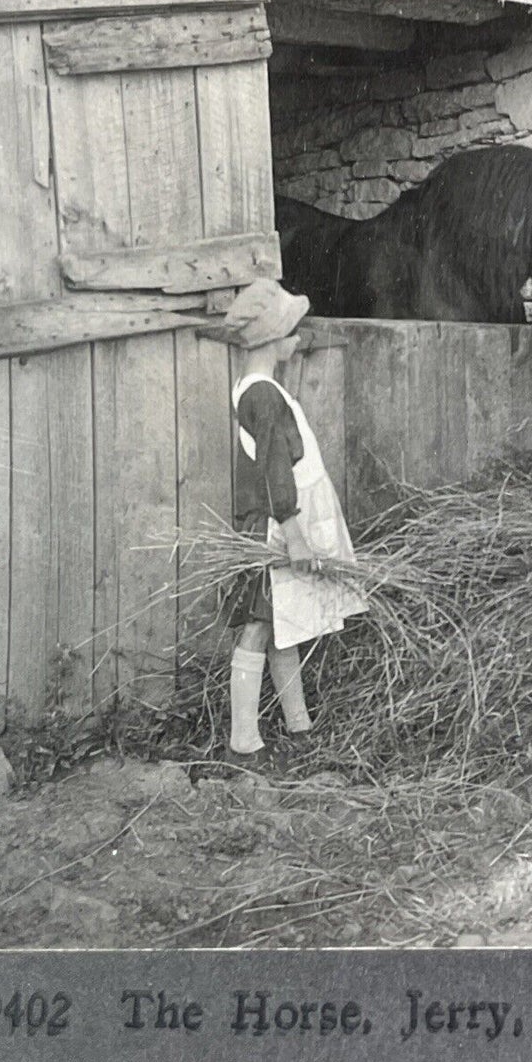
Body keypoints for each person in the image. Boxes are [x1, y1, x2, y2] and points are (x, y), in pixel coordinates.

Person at [207, 279, 365, 762]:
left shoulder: (254, 390)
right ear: (274, 339)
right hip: (276, 527)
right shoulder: (265, 397)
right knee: (258, 625)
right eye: (293, 331)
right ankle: (242, 737)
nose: (299, 339)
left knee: (281, 624)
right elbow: (276, 468)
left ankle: (298, 722)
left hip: (277, 521)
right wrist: (294, 534)